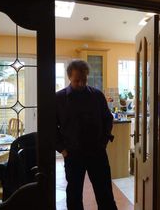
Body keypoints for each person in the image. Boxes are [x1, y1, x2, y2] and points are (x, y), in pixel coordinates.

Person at [56, 60, 118, 210]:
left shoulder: (97, 95)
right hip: (72, 154)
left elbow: (108, 119)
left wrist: (103, 142)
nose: (81, 84)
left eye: (84, 80)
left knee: (105, 194)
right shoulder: (58, 98)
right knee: (74, 195)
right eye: (77, 80)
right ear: (69, 77)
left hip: (97, 152)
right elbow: (51, 127)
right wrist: (62, 149)